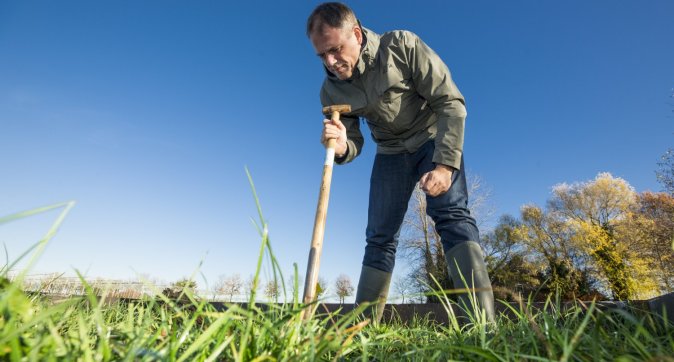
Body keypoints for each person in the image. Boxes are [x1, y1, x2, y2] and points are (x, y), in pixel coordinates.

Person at [307, 2, 495, 323]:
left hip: (431, 138)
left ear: (356, 33)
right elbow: (353, 144)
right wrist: (340, 146)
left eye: (336, 50)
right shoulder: (331, 90)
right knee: (379, 237)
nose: (331, 62)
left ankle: (481, 326)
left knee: (450, 215)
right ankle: (361, 330)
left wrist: (446, 165)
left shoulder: (401, 46)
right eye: (322, 55)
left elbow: (450, 102)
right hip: (391, 153)